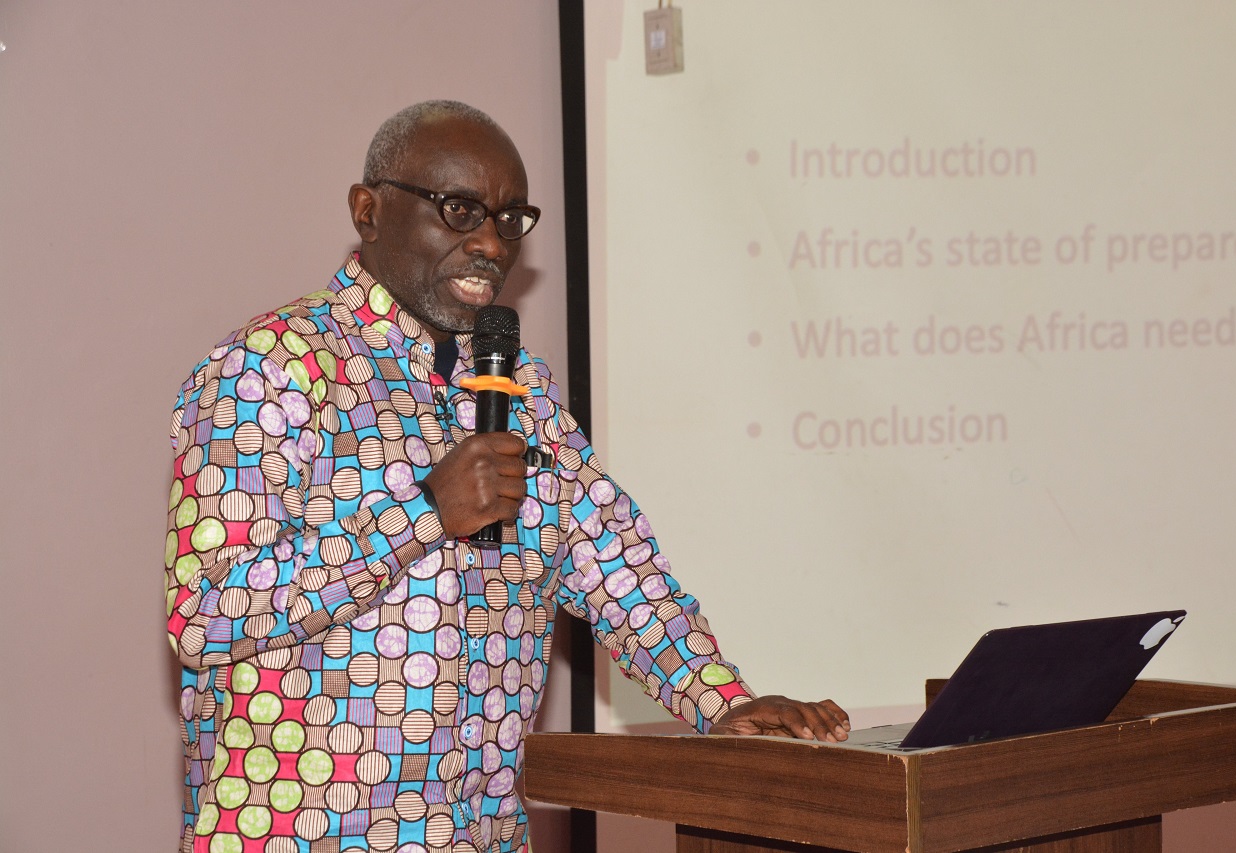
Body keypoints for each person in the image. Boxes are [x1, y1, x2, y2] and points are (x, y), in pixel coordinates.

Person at [164, 100, 849, 853]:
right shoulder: (271, 368)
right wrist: (423, 512)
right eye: (459, 210)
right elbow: (203, 614)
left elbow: (619, 573)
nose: (491, 243)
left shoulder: (526, 393)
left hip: (483, 834)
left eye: (510, 219)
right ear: (368, 211)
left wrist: (720, 702)